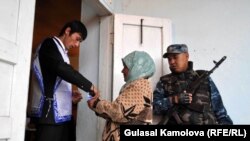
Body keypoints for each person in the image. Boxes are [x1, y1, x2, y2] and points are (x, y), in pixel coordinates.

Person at [28, 20, 99, 141]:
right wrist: (89, 86)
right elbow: (61, 69)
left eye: (79, 42)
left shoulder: (62, 52)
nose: (77, 44)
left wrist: (68, 98)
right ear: (67, 31)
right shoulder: (49, 44)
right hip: (49, 116)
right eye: (77, 39)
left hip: (62, 117)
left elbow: (52, 79)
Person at [153, 44, 233, 125]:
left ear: (187, 56)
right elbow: (154, 108)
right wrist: (175, 99)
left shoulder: (204, 78)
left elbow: (220, 111)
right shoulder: (164, 81)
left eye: (175, 57)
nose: (172, 62)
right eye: (169, 59)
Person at [87, 51, 156, 141]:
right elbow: (118, 116)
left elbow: (120, 112)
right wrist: (96, 104)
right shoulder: (138, 85)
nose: (122, 70)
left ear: (136, 67)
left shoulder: (141, 85)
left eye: (125, 67)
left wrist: (97, 104)